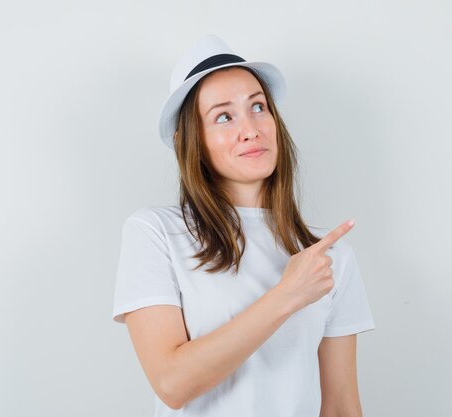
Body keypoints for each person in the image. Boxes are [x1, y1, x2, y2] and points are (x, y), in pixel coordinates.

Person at [112, 35, 376, 417]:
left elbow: (340, 407)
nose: (251, 128)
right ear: (190, 140)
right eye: (224, 115)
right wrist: (287, 295)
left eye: (258, 107)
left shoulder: (329, 256)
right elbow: (172, 383)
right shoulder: (155, 233)